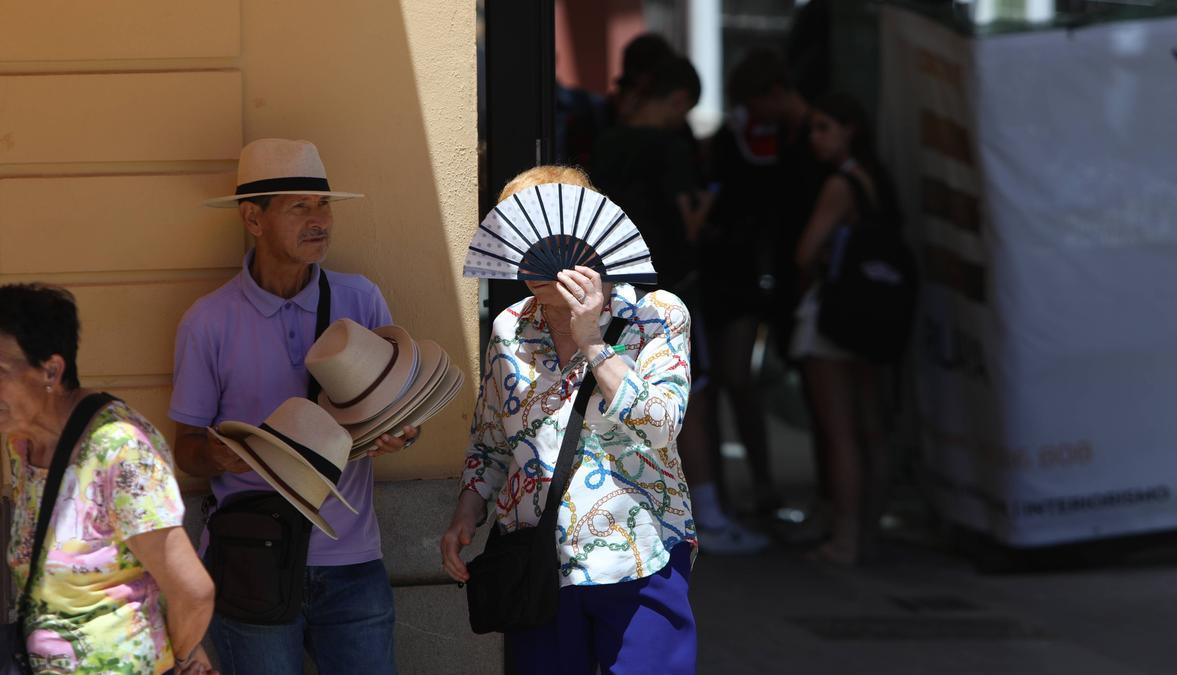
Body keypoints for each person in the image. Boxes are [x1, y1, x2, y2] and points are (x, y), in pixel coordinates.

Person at [169, 139, 419, 673]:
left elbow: (400, 410)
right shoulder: (207, 321)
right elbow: (185, 448)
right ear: (253, 220)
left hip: (353, 560)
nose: (319, 220)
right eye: (299, 206)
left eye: (324, 205)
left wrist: (401, 434)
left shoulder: (361, 299)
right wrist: (223, 456)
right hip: (250, 560)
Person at [441, 166, 698, 674]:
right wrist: (466, 513)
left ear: (588, 238)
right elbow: (491, 442)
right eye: (520, 239)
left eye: (548, 240)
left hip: (639, 555)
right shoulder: (510, 328)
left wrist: (593, 344)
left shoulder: (656, 314)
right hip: (538, 561)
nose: (534, 256)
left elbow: (663, 424)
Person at [591, 55, 767, 554]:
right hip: (667, 288)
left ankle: (644, 513)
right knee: (689, 403)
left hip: (610, 289)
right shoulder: (668, 147)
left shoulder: (607, 142)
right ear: (674, 99)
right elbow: (689, 222)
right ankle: (705, 515)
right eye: (684, 107)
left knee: (618, 400)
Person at [1, 283, 216, 674]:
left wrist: (181, 658)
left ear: (51, 370)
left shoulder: (119, 447)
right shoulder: (22, 445)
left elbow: (194, 592)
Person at [703, 48, 815, 518]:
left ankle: (766, 485)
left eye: (754, 102)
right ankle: (745, 488)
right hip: (740, 275)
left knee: (745, 381)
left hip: (781, 276)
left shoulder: (807, 136)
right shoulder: (739, 138)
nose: (750, 113)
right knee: (732, 380)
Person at [791, 93, 899, 564]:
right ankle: (870, 532)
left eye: (823, 128)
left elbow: (804, 253)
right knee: (869, 426)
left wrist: (811, 272)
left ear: (849, 128)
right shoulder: (876, 179)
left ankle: (846, 538)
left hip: (835, 316)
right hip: (874, 317)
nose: (815, 138)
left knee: (840, 432)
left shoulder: (840, 184)